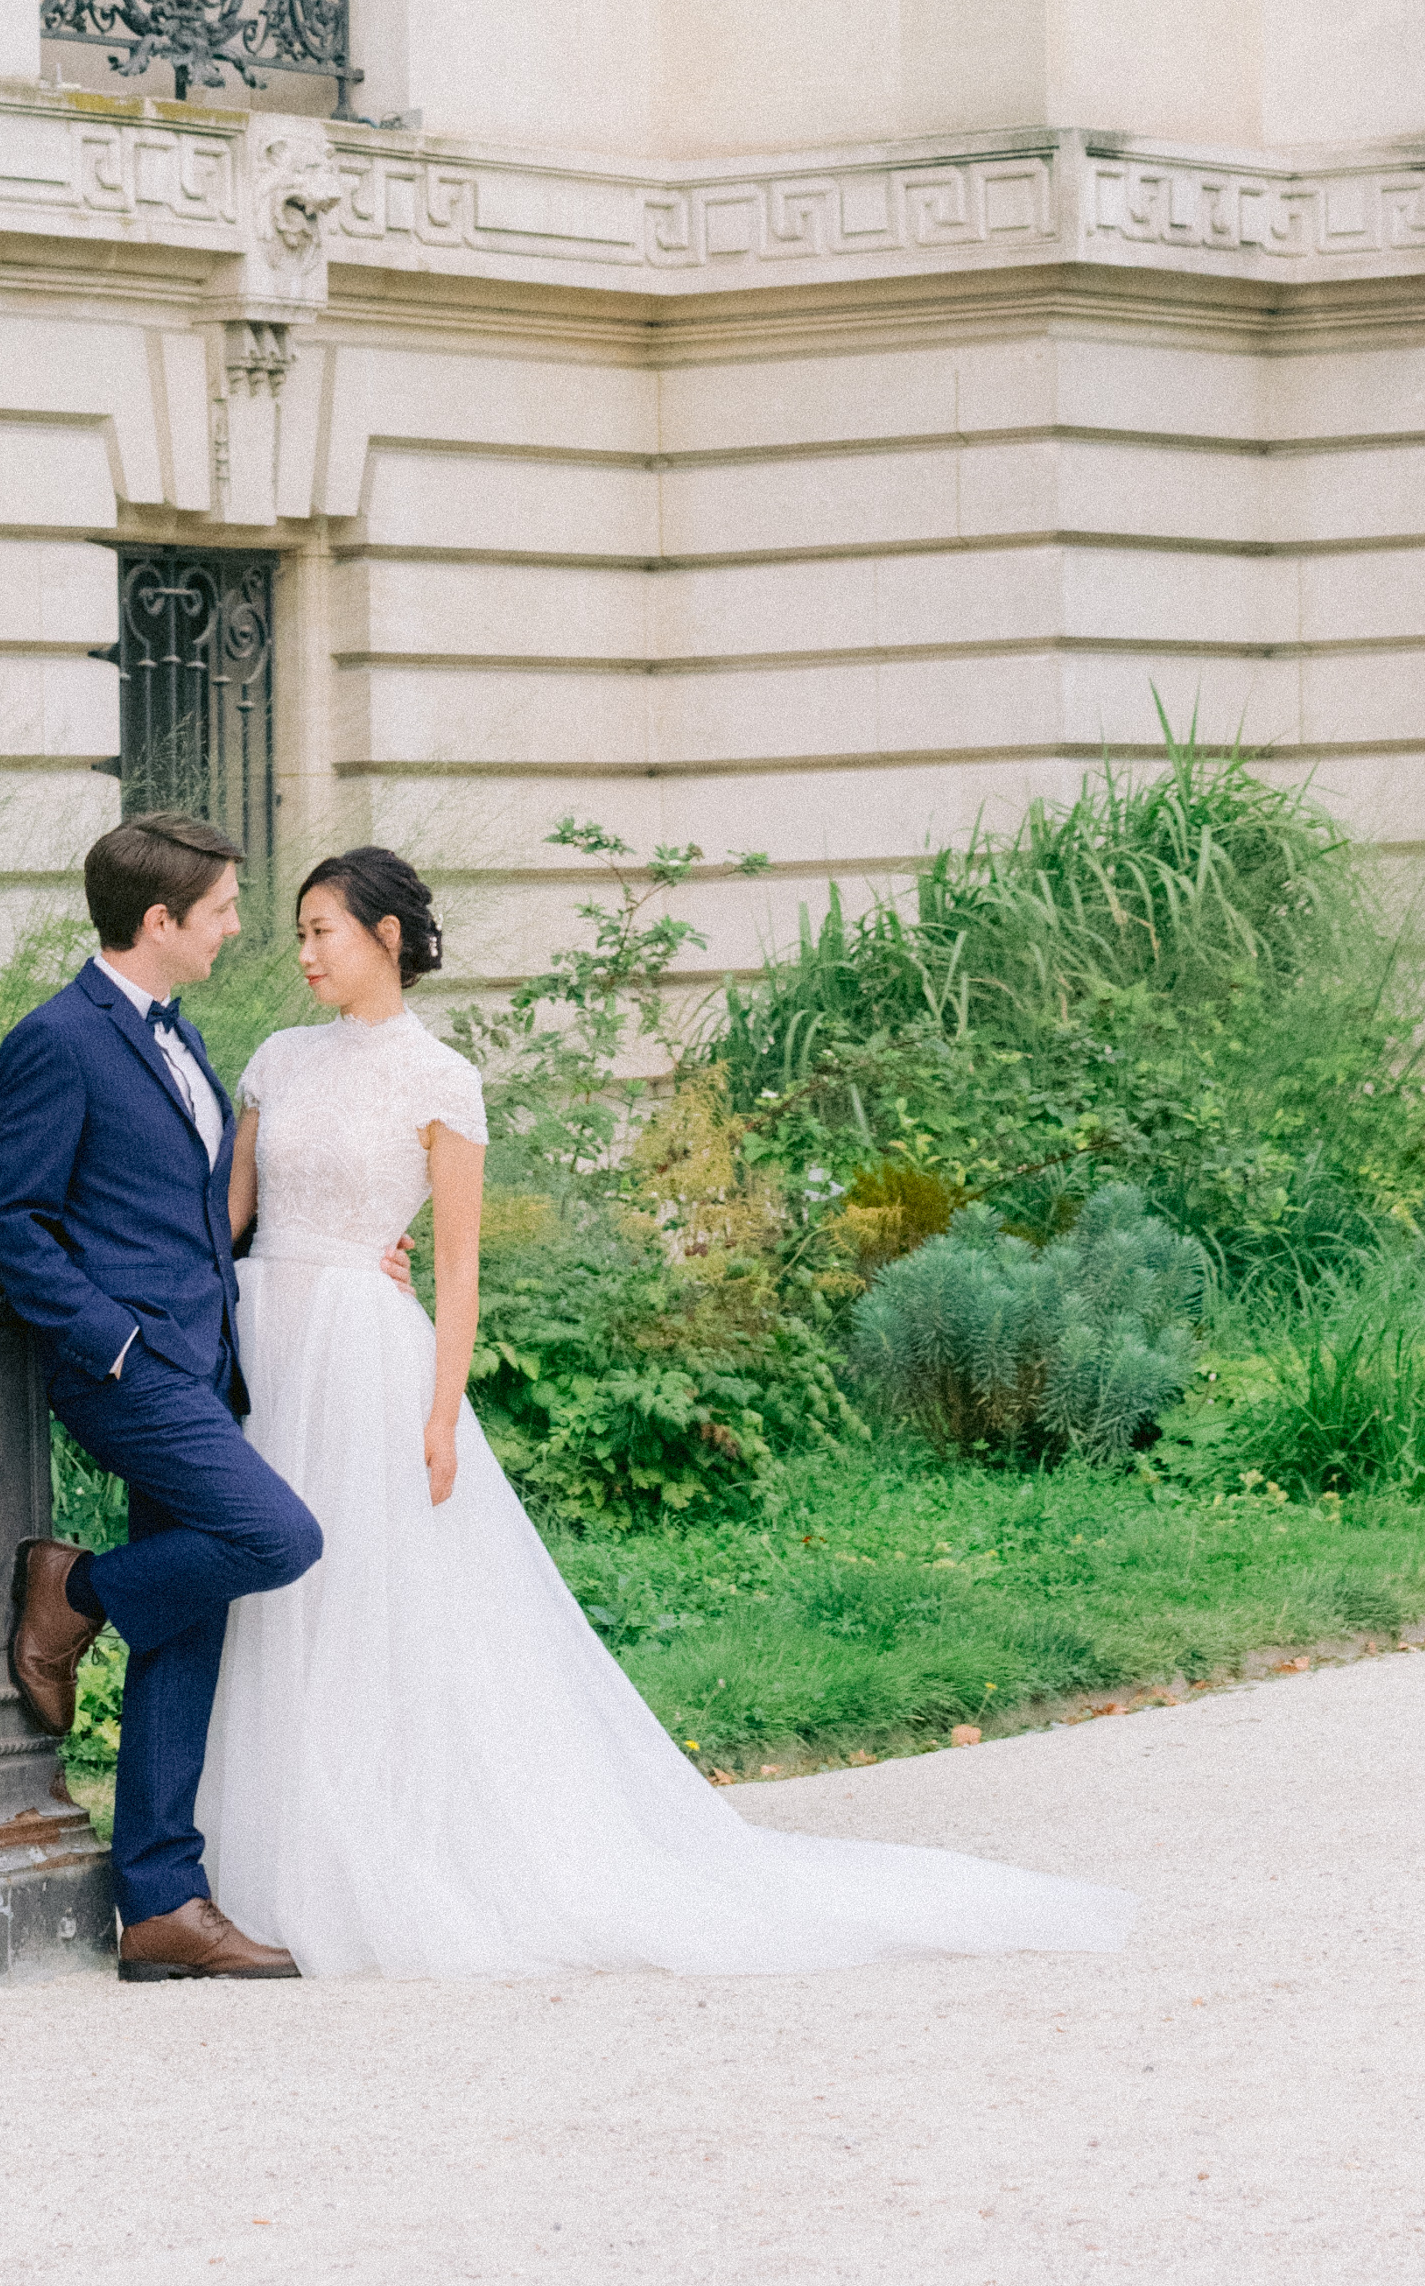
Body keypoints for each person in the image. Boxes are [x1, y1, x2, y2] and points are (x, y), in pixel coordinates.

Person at [186, 842, 1129, 1984]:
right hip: (264, 1339)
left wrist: (442, 1415)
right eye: (296, 933)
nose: (303, 954)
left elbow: (462, 1271)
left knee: (361, 1597)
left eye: (322, 931)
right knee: (257, 1593)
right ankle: (232, 1865)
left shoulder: (441, 1080)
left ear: (386, 938)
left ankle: (360, 1856)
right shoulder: (277, 1060)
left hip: (363, 1356)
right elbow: (225, 1215)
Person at [0, 813, 320, 1982]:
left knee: (189, 1620)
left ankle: (162, 1902)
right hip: (129, 1372)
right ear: (160, 919)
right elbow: (14, 1222)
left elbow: (193, 1205)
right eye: (221, 907)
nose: (237, 925)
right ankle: (70, 1590)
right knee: (275, 1535)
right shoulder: (57, 1041)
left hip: (199, 1359)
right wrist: (115, 1345)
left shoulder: (182, 1035)